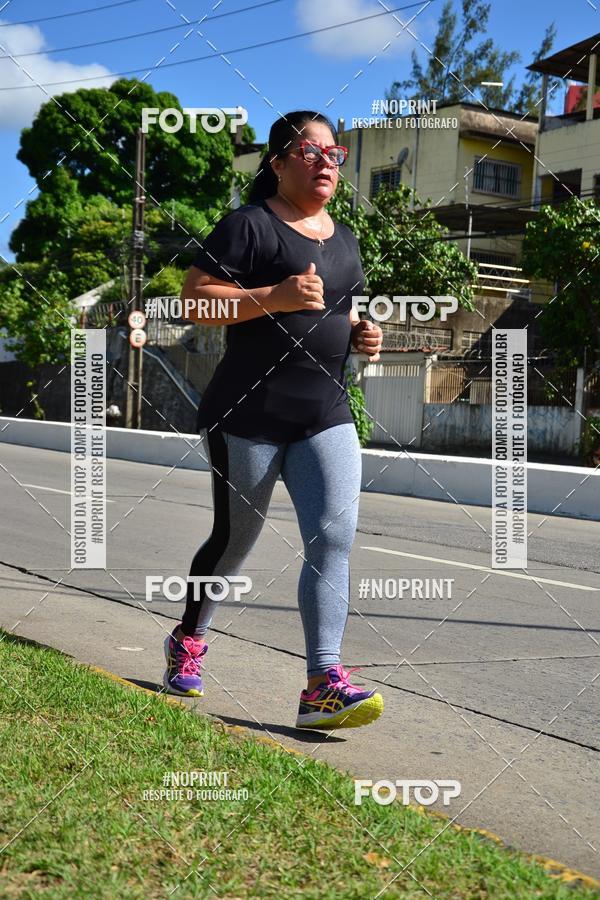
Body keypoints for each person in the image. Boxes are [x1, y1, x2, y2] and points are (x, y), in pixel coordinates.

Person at [163, 110, 384, 730]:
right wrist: (272, 298)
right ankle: (188, 637)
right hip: (248, 414)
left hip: (327, 412)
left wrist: (365, 336)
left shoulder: (344, 238)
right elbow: (193, 299)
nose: (324, 163)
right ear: (279, 163)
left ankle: (322, 681)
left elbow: (344, 311)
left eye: (333, 153)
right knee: (236, 542)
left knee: (333, 538)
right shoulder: (248, 226)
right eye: (308, 153)